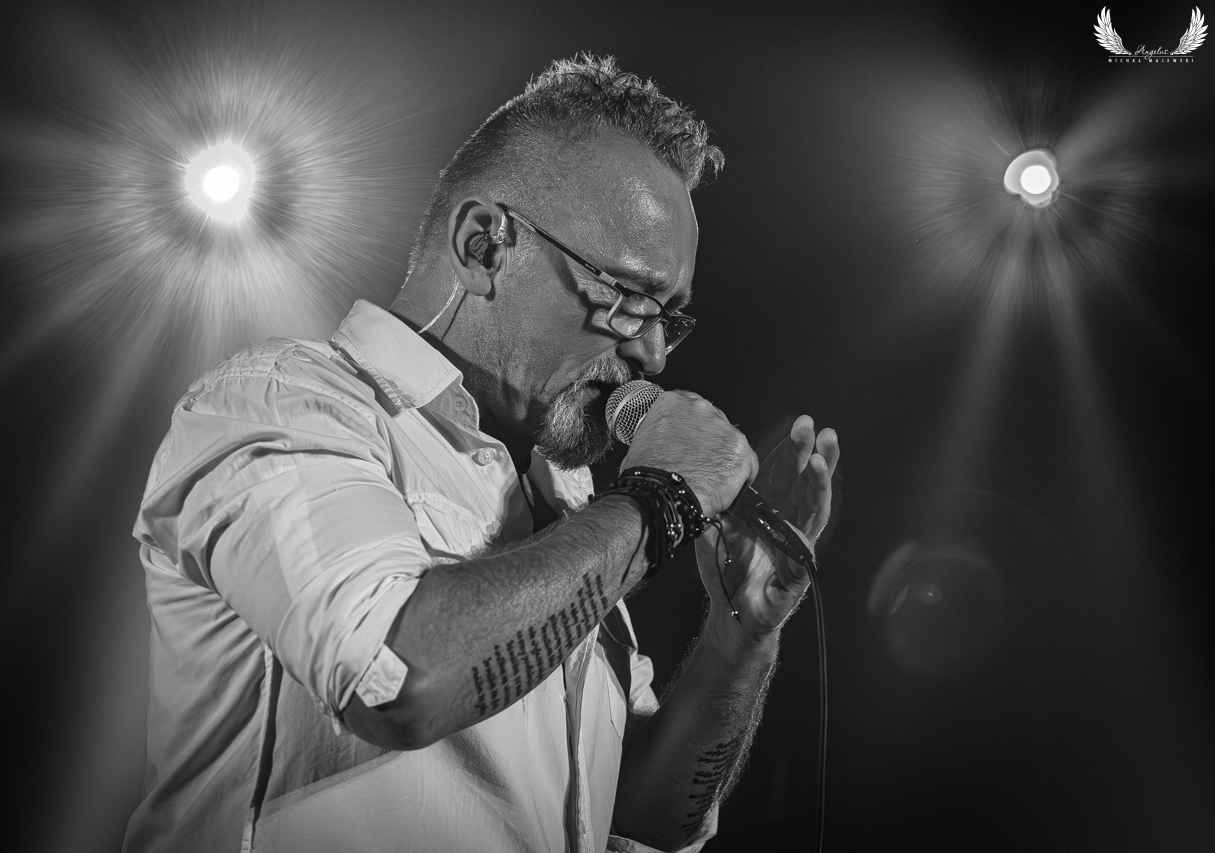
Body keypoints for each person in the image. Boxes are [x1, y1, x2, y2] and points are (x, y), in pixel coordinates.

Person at [124, 54, 839, 853]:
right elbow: (397, 679)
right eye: (628, 296)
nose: (650, 353)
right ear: (484, 245)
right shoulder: (286, 403)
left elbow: (642, 818)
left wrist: (739, 638)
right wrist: (659, 502)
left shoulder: (568, 502)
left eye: (668, 317)